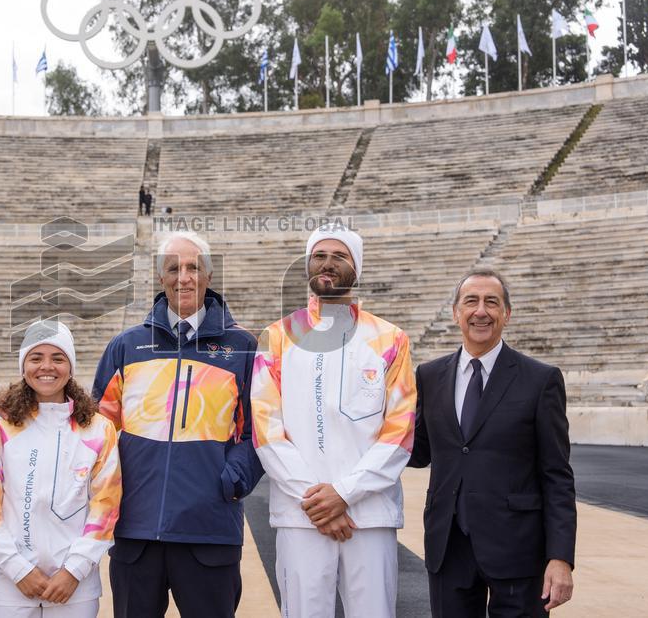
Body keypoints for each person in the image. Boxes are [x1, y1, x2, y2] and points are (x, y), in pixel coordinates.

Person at [92, 230, 263, 618]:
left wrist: (232, 479)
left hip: (209, 529)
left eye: (193, 268)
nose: (183, 277)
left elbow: (259, 431)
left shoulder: (243, 347)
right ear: (160, 278)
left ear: (208, 276)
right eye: (174, 268)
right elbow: (96, 429)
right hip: (136, 530)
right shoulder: (126, 346)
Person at [250, 226, 416, 617]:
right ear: (308, 264)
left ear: (355, 267)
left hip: (369, 515)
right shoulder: (276, 337)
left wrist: (344, 493)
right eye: (319, 255)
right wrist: (318, 501)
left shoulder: (391, 339)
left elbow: (400, 432)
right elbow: (265, 430)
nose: (327, 264)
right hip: (300, 515)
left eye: (339, 257)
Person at [409, 267, 576, 617]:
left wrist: (560, 558)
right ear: (456, 313)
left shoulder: (540, 380)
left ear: (507, 314)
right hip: (448, 548)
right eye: (471, 301)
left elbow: (557, 475)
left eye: (492, 302)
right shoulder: (430, 375)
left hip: (518, 552)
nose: (480, 311)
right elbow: (417, 451)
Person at [0, 320, 121, 618]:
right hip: (7, 582)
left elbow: (106, 506)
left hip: (75, 586)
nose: (47, 367)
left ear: (71, 366)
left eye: (58, 358)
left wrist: (74, 570)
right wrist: (17, 568)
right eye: (36, 358)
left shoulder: (98, 429)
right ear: (23, 365)